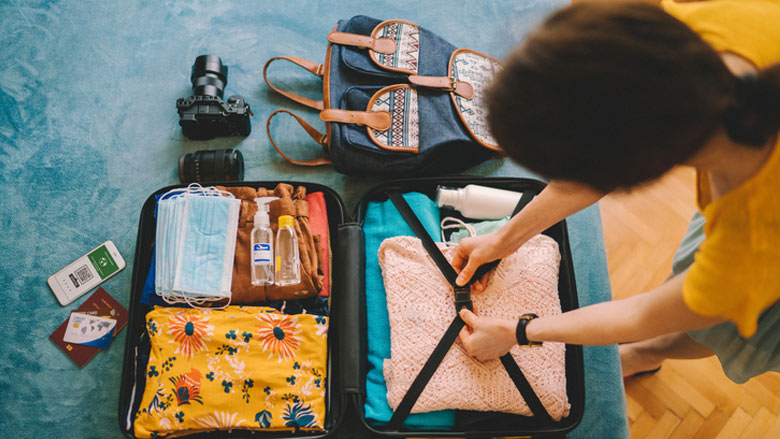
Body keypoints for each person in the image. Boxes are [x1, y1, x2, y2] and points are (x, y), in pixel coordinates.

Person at [453, 0, 780, 383]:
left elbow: (642, 314)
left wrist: (518, 332)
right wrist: (504, 239)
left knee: (726, 328)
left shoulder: (749, 249)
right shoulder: (699, 33)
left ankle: (646, 354)